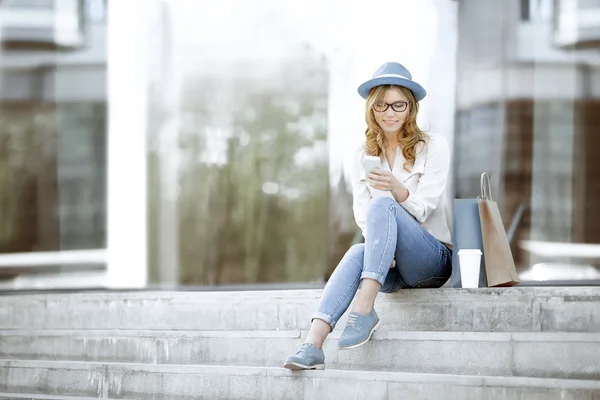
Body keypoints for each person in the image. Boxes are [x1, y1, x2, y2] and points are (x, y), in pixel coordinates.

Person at [283, 62, 453, 370]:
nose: (390, 112)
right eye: (381, 105)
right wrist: (381, 246)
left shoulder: (434, 146)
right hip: (388, 268)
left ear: (410, 107)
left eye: (398, 104)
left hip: (431, 261)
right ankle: (313, 344)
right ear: (371, 108)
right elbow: (362, 215)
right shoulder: (362, 154)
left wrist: (396, 188)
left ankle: (364, 307)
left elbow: (424, 207)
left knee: (382, 205)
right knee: (358, 250)